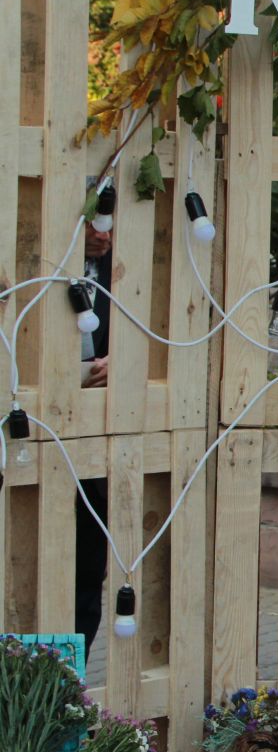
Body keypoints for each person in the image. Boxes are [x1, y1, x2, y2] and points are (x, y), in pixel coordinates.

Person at [76, 220, 113, 658]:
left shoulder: (123, 265)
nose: (102, 235)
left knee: (86, 571)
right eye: (93, 223)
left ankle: (70, 684)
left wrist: (123, 358)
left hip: (95, 434)